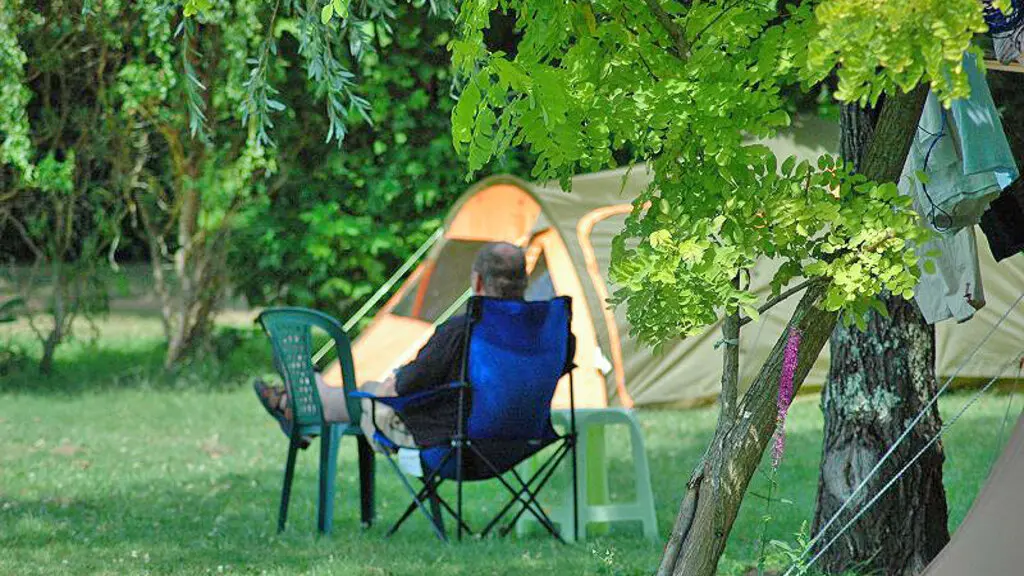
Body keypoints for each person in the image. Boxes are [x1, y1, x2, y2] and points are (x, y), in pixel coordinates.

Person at [253, 242, 536, 452]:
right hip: (519, 440)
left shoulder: (463, 329)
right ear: (525, 282)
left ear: (477, 281)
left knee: (369, 394)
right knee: (371, 389)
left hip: (449, 438)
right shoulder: (547, 330)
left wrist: (397, 382)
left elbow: (413, 380)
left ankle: (298, 396)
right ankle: (300, 398)